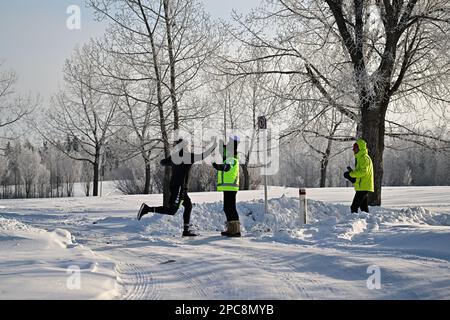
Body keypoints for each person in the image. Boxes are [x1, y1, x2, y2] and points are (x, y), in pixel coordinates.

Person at [137, 138, 217, 237]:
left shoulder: (174, 157)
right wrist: (213, 147)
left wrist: (169, 161)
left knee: (188, 206)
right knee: (172, 211)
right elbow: (203, 155)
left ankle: (186, 231)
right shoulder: (188, 156)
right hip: (180, 188)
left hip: (177, 187)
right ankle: (147, 209)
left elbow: (162, 162)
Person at [212, 135, 241, 237]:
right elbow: (223, 152)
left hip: (231, 187)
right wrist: (220, 145)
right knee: (227, 208)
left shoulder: (232, 159)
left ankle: (236, 231)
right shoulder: (229, 156)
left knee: (230, 208)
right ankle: (231, 230)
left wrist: (216, 166)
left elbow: (226, 167)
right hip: (228, 187)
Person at [344, 138, 374, 213]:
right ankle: (369, 222)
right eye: (353, 148)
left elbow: (363, 172)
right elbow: (360, 172)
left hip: (363, 186)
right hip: (362, 186)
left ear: (360, 148)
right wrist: (351, 174)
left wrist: (351, 174)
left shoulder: (364, 158)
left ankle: (352, 223)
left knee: (354, 207)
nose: (353, 150)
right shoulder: (361, 157)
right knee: (364, 209)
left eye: (355, 148)